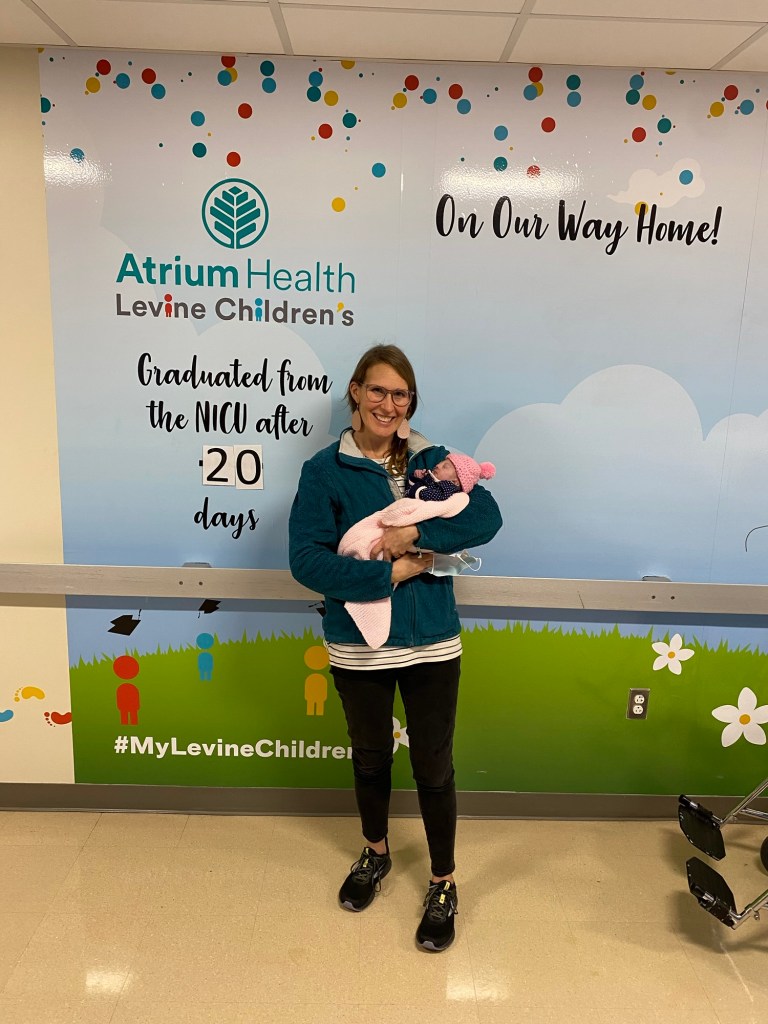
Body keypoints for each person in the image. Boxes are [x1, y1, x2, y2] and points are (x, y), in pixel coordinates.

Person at [288, 344, 502, 953]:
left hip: (433, 643)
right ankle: (375, 853)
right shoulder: (324, 471)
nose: (388, 403)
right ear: (355, 392)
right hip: (359, 646)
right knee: (370, 758)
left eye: (400, 394)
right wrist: (389, 574)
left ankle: (442, 882)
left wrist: (414, 531)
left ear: (411, 402)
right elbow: (306, 561)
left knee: (434, 766)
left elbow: (485, 518)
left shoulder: (434, 460)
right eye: (377, 390)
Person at [406, 453, 496, 501]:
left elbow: (434, 496)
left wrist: (418, 487)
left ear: (455, 481)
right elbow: (409, 489)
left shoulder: (448, 489)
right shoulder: (431, 478)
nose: (437, 465)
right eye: (440, 463)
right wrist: (417, 478)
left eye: (445, 466)